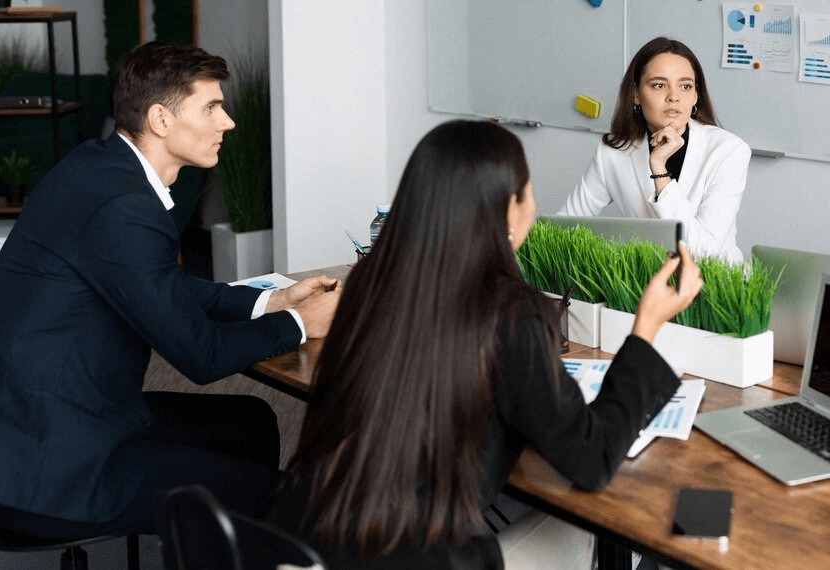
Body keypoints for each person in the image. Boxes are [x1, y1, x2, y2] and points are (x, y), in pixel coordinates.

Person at [266, 120, 702, 569]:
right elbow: (590, 460)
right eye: (528, 191)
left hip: (305, 540)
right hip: (422, 558)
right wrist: (646, 326)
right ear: (508, 210)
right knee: (582, 525)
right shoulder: (510, 311)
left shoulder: (367, 287)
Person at [0, 41, 341, 539]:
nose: (226, 122)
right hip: (60, 463)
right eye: (212, 106)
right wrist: (299, 324)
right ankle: (239, 539)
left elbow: (163, 286)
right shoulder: (124, 206)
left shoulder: (98, 167)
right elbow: (200, 357)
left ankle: (220, 547)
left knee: (250, 422)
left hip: (48, 419)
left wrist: (272, 300)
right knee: (277, 496)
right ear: (161, 119)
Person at [559, 37, 750, 263]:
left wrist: (660, 171)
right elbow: (563, 226)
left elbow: (703, 252)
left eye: (685, 86)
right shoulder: (612, 150)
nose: (674, 96)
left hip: (716, 288)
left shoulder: (729, 150)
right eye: (659, 85)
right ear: (636, 95)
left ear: (696, 95)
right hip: (645, 285)